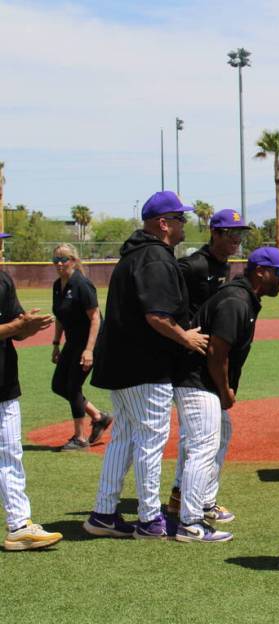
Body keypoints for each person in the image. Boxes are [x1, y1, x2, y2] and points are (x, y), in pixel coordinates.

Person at [83, 190, 209, 540]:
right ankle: (150, 518)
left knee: (123, 437)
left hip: (122, 364)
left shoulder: (135, 254)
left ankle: (104, 513)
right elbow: (157, 315)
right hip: (144, 365)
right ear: (163, 223)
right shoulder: (154, 256)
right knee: (150, 440)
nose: (186, 224)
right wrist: (187, 338)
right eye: (181, 219)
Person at [171, 247, 279, 543]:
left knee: (220, 432)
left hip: (200, 381)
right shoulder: (236, 301)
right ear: (260, 272)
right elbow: (216, 353)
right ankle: (190, 522)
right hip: (196, 380)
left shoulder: (244, 297)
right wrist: (225, 390)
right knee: (203, 445)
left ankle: (203, 502)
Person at [167, 208, 252, 521]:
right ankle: (190, 506)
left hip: (204, 360)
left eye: (240, 235)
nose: (236, 240)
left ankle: (183, 495)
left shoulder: (222, 265)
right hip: (190, 359)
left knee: (202, 435)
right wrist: (182, 333)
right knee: (199, 437)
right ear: (214, 233)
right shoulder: (193, 264)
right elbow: (168, 298)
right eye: (231, 233)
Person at [0, 232, 63, 552]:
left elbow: (15, 327)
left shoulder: (3, 280)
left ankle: (19, 526)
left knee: (10, 454)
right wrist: (15, 328)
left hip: (4, 382)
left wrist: (26, 326)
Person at [50, 243, 112, 451]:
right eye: (56, 260)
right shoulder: (57, 285)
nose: (59, 264)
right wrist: (56, 344)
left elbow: (95, 318)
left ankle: (80, 438)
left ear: (73, 261)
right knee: (58, 385)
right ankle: (99, 416)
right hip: (72, 342)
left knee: (73, 386)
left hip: (89, 342)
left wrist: (89, 350)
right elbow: (60, 317)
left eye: (64, 259)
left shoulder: (81, 284)